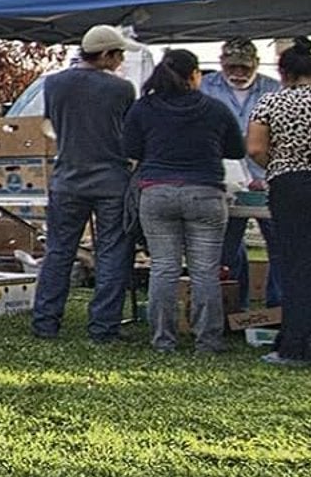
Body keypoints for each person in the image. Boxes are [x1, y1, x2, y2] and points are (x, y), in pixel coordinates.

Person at [122, 48, 243, 355]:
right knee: (205, 271)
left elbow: (131, 148)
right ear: (195, 75)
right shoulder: (215, 109)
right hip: (205, 192)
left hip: (157, 192)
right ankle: (208, 341)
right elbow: (237, 150)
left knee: (163, 268)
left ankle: (163, 340)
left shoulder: (143, 108)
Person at [28, 24, 137, 343]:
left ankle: (45, 323)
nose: (120, 61)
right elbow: (128, 134)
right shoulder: (122, 89)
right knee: (112, 252)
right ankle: (104, 328)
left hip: (67, 178)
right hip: (111, 180)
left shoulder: (54, 84)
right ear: (105, 54)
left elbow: (51, 124)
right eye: (117, 55)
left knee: (59, 252)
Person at [246, 37, 311, 366]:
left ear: (284, 73)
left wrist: (278, 164)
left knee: (294, 264)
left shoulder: (270, 103)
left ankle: (294, 345)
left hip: (289, 186)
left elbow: (254, 148)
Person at [207, 37, 282, 312]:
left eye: (243, 68)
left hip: (268, 174)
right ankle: (234, 306)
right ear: (222, 64)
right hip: (225, 179)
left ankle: (277, 307)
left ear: (256, 64)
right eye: (232, 67)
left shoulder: (273, 88)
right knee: (227, 248)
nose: (237, 73)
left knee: (279, 244)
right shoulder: (206, 86)